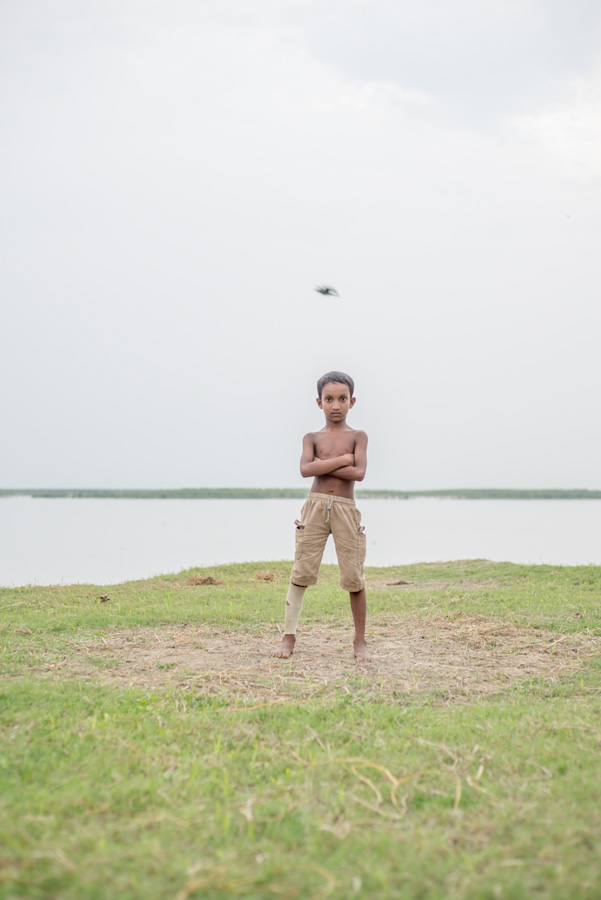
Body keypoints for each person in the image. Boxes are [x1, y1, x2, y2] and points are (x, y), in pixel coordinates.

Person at [273, 371, 371, 661]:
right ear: (319, 403)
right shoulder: (312, 437)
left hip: (345, 509)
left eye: (342, 399)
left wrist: (321, 464)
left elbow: (360, 473)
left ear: (352, 401)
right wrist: (342, 460)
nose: (336, 405)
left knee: (354, 576)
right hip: (314, 507)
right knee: (301, 571)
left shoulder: (358, 436)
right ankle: (288, 637)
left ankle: (359, 642)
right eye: (329, 399)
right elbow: (305, 470)